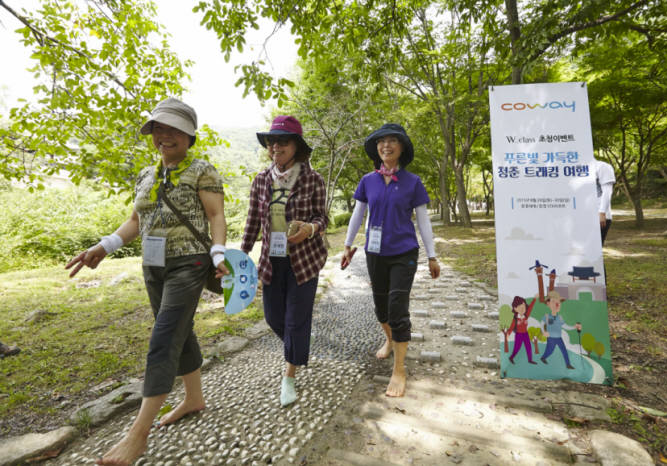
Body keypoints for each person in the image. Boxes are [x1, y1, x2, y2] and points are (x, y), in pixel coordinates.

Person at [65, 97, 229, 466]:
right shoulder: (146, 174)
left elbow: (216, 215)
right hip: (153, 266)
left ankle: (138, 434)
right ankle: (193, 398)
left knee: (164, 337)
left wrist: (219, 253)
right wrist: (104, 246)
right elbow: (136, 221)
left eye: (173, 129)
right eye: (158, 128)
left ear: (190, 135)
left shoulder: (202, 170)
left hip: (190, 262)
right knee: (178, 330)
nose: (164, 136)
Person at [342, 123, 440, 398]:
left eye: (392, 141)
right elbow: (358, 215)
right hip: (375, 253)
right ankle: (389, 339)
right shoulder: (367, 181)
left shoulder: (413, 182)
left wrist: (432, 256)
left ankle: (399, 370)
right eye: (381, 141)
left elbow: (423, 221)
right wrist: (348, 246)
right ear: (377, 149)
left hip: (404, 253)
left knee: (397, 309)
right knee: (381, 310)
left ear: (402, 148)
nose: (386, 145)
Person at [241, 115, 328, 407]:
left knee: (294, 320)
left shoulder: (312, 179)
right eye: (271, 141)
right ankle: (298, 342)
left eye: (283, 141)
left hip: (304, 261)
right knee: (274, 318)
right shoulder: (261, 181)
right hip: (270, 262)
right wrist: (240, 256)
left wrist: (309, 229)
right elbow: (252, 221)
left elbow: (322, 217)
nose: (275, 146)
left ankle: (289, 376)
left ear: (296, 146)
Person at [539, 291, 581, 369]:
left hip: (558, 338)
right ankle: (543, 357)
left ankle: (568, 364)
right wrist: (544, 331)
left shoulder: (560, 317)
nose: (557, 304)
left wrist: (574, 327)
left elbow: (565, 326)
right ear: (548, 304)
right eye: (553, 301)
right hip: (551, 338)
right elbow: (541, 324)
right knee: (550, 351)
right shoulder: (547, 316)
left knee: (564, 350)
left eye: (558, 302)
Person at [506, 296, 537, 365]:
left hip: (525, 334)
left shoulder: (525, 316)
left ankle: (530, 360)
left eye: (524, 307)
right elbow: (511, 327)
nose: (523, 309)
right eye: (520, 307)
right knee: (517, 348)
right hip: (519, 335)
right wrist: (508, 334)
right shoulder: (515, 319)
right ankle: (511, 357)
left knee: (528, 347)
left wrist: (534, 299)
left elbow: (530, 308)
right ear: (515, 308)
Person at [594, 158, 615, 245]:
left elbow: (607, 191)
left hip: (599, 216)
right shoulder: (575, 169)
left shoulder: (602, 166)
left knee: (594, 249)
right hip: (581, 217)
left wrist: (602, 213)